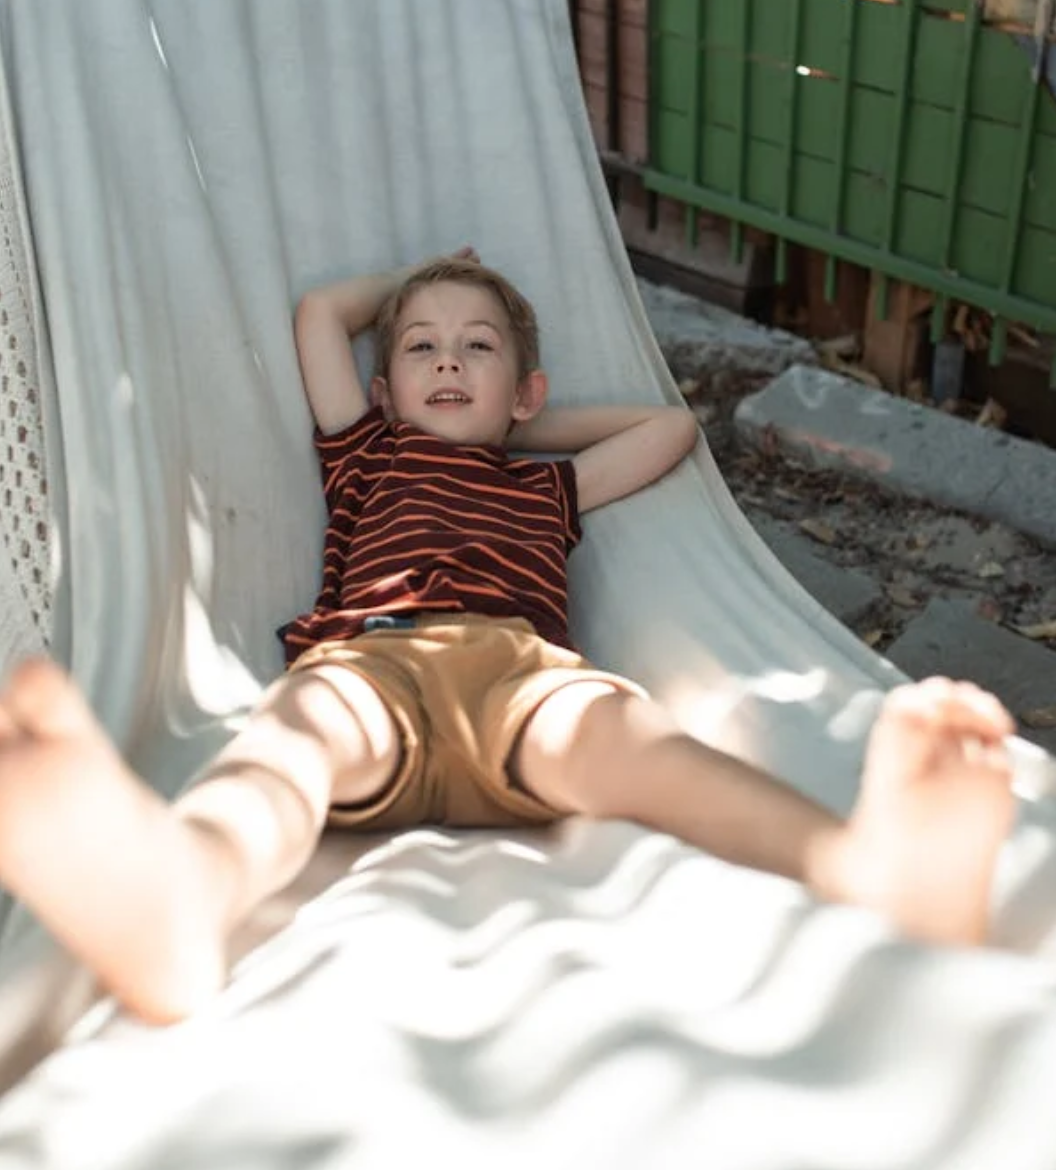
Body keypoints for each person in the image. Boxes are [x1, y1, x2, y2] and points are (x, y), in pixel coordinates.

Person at [0, 250, 1016, 1025]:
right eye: (421, 348)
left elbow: (669, 430)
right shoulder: (366, 450)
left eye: (477, 348)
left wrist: (519, 424)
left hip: (523, 681)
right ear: (386, 390)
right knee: (288, 742)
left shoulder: (545, 483)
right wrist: (431, 280)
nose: (447, 357)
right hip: (372, 664)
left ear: (524, 392)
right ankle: (184, 895)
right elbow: (322, 316)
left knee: (639, 744)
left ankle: (862, 870)